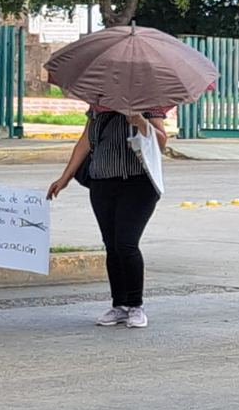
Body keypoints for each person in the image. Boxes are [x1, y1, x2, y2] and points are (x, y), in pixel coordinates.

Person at [47, 108, 167, 328]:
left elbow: (161, 142)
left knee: (126, 243)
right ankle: (119, 305)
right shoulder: (98, 106)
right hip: (102, 182)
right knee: (111, 245)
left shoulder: (146, 102)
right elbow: (85, 142)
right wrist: (65, 177)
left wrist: (140, 121)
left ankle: (135, 305)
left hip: (138, 183)